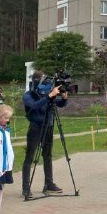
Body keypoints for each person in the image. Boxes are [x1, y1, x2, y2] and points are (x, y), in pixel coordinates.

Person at [21, 71, 68, 199]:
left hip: (48, 126)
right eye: (43, 80)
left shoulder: (47, 95)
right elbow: (34, 106)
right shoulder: (28, 95)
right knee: (30, 157)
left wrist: (64, 98)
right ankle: (26, 187)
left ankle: (49, 184)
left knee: (47, 155)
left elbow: (58, 104)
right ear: (36, 81)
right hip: (36, 128)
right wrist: (49, 96)